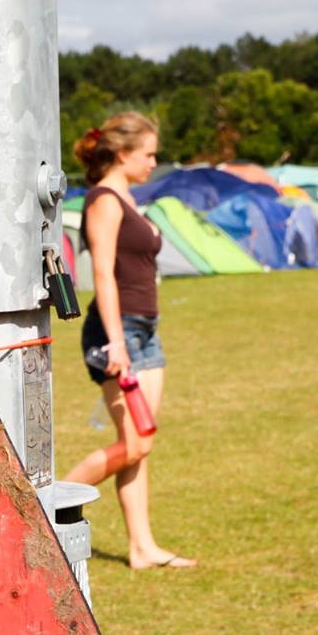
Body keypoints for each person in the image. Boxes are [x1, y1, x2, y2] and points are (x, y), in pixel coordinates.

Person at [62, 112, 194, 570]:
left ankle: (142, 548)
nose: (154, 163)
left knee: (140, 443)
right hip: (117, 332)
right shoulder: (103, 200)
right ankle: (49, 508)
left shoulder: (127, 198)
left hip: (146, 329)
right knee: (135, 444)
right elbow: (102, 274)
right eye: (149, 154)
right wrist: (117, 343)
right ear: (122, 153)